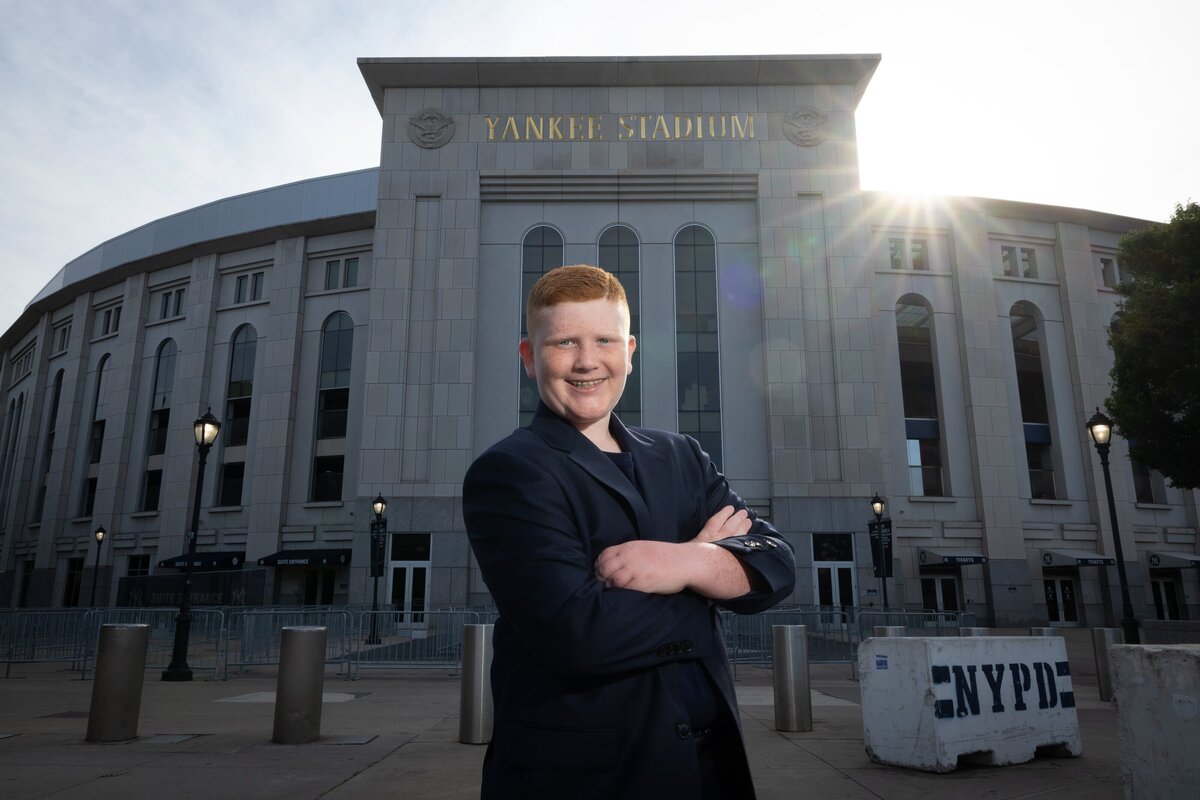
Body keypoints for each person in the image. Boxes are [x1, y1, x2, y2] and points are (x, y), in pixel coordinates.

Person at [463, 264, 796, 799]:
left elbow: (777, 563)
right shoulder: (510, 471)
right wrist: (711, 582)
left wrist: (684, 564)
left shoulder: (681, 456)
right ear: (529, 357)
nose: (587, 360)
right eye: (565, 342)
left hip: (711, 771)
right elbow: (581, 634)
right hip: (590, 781)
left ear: (631, 350)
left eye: (604, 340)